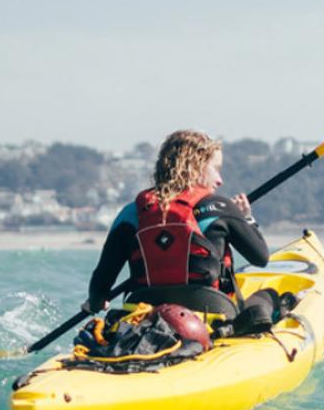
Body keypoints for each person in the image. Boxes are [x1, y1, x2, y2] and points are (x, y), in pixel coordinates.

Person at [83, 129, 271, 317]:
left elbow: (100, 284)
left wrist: (96, 300)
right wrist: (246, 217)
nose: (219, 180)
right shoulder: (221, 207)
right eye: (216, 169)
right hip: (211, 312)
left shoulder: (131, 213)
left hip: (145, 314)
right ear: (195, 166)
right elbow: (261, 257)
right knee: (268, 296)